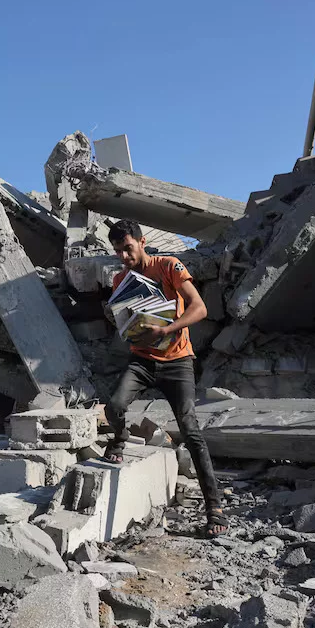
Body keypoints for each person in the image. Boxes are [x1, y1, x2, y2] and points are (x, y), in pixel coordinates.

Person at [103, 220, 226, 538]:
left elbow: (199, 308)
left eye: (127, 248)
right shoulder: (121, 278)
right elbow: (124, 317)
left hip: (178, 363)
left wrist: (167, 329)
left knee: (191, 430)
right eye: (118, 252)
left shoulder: (169, 266)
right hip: (142, 361)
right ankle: (118, 441)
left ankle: (215, 509)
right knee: (114, 406)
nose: (124, 257)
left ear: (142, 242)